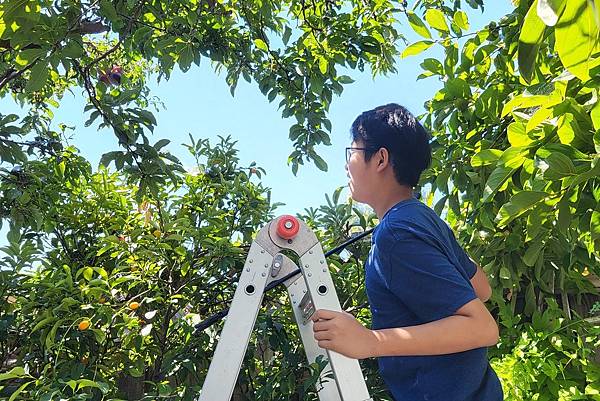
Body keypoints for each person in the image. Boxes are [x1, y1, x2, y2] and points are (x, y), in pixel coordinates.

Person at [311, 103, 503, 401]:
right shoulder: (423, 220)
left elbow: (483, 328)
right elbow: (483, 287)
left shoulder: (396, 234)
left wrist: (370, 341)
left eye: (352, 153)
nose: (347, 165)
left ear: (381, 159)